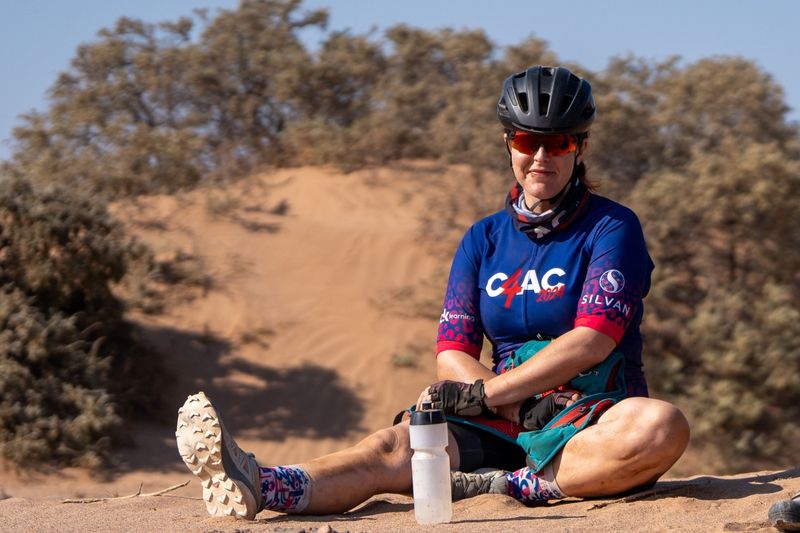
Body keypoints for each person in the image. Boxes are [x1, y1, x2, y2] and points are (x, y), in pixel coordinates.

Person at [176, 65, 690, 520]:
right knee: (393, 446)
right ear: (507, 142)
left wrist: (489, 397)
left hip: (589, 418)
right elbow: (452, 352)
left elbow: (593, 340)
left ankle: (514, 485)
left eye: (557, 144)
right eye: (525, 141)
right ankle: (264, 484)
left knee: (660, 426)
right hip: (506, 417)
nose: (539, 157)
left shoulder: (612, 227)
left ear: (580, 147)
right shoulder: (483, 238)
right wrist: (503, 403)